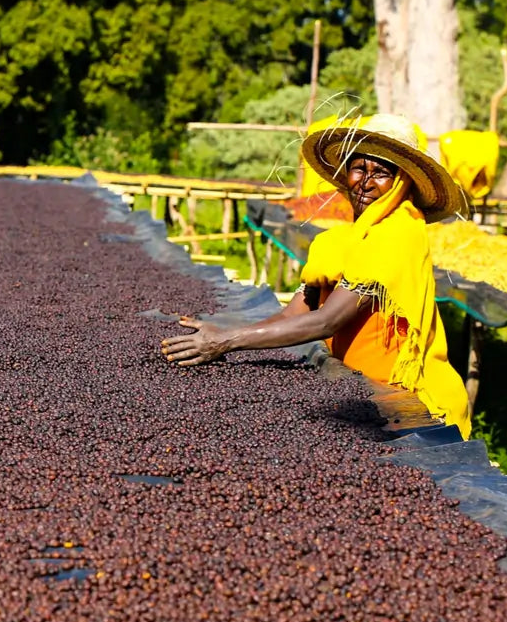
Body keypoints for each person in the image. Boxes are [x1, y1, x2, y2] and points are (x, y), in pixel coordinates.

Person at [161, 114, 471, 438]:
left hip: (415, 408)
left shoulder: (398, 235)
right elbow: (295, 312)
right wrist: (224, 331)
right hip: (364, 393)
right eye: (358, 168)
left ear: (402, 181)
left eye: (380, 173)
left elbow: (327, 321)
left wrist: (226, 342)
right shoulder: (338, 243)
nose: (365, 182)